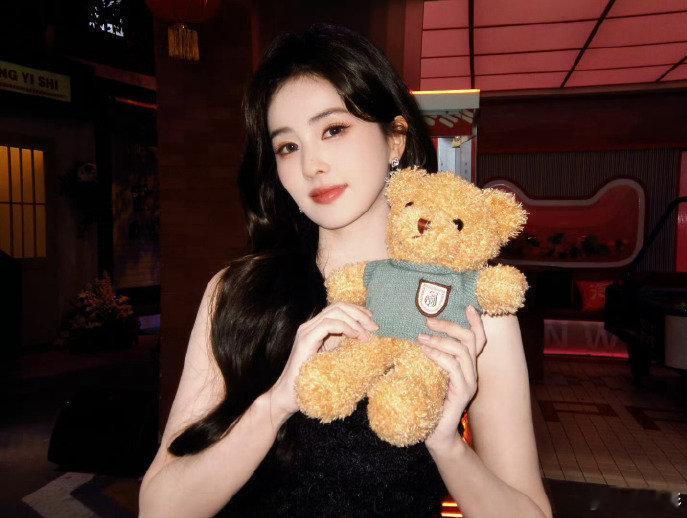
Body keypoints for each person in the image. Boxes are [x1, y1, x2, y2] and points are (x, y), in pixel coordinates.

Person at [138, 22, 553, 518]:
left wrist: (448, 445)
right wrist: (276, 404)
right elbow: (160, 507)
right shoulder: (236, 293)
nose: (311, 164)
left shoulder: (473, 306)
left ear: (395, 139)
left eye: (333, 129)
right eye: (288, 146)